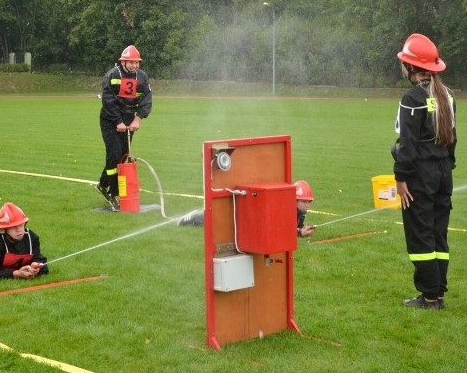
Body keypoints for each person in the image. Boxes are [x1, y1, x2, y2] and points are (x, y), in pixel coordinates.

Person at [393, 33, 456, 310]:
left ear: (410, 67)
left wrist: (401, 177)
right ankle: (438, 293)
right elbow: (453, 137)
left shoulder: (412, 97)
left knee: (420, 234)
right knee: (438, 233)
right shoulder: (447, 95)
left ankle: (428, 296)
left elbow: (407, 144)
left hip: (420, 174)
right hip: (443, 170)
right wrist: (447, 166)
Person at [95, 45, 152, 211]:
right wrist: (118, 121)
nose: (134, 65)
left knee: (123, 155)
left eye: (137, 62)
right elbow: (108, 101)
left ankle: (103, 184)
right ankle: (114, 194)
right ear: (123, 62)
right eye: (131, 62)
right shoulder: (112, 76)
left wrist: (138, 119)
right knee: (114, 154)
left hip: (129, 120)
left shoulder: (142, 78)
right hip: (110, 119)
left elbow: (147, 100)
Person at [177, 180, 317, 235]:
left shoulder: (299, 212)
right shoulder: (282, 209)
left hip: (248, 224)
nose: (307, 205)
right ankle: (192, 217)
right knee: (217, 220)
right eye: (304, 201)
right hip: (243, 218)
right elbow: (277, 230)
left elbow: (289, 228)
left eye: (309, 202)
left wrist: (301, 230)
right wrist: (299, 233)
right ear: (295, 199)